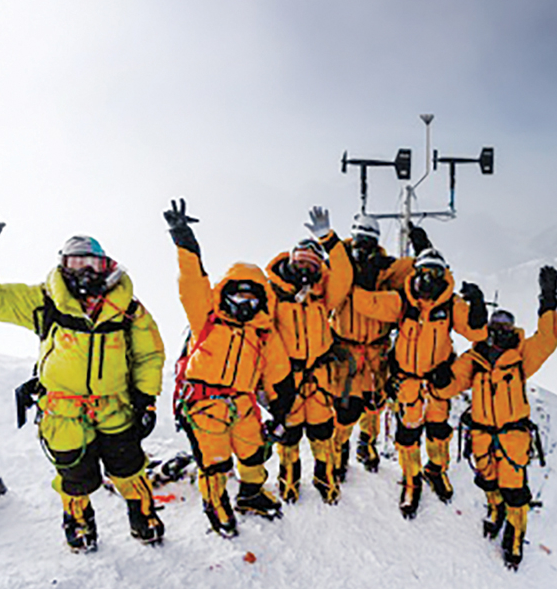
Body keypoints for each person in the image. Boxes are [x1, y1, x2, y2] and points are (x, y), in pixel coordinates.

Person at [0, 217, 166, 552]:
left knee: (129, 467)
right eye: (75, 261)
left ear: (106, 266)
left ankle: (144, 517)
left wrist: (146, 399)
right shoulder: (45, 301)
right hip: (61, 409)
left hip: (114, 405)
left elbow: (149, 355)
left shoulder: (129, 309)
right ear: (63, 265)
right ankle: (78, 522)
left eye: (92, 262)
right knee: (74, 474)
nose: (84, 269)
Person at [163, 199, 296, 536]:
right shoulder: (206, 318)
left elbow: (277, 372)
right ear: (225, 294)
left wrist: (281, 409)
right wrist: (184, 240)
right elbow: (192, 281)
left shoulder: (263, 334)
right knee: (215, 461)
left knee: (253, 454)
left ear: (262, 301)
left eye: (252, 299)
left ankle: (251, 494)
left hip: (242, 403)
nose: (244, 304)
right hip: (204, 402)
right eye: (238, 296)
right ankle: (216, 502)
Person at [436, 266, 557, 570]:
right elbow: (452, 384)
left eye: (506, 325)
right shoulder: (474, 358)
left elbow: (548, 339)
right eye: (496, 324)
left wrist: (548, 300)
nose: (500, 330)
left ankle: (515, 536)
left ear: (512, 329)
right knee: (487, 479)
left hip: (512, 436)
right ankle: (495, 511)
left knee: (515, 490)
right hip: (481, 433)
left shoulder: (521, 357)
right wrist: (440, 379)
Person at [352, 243, 487, 517]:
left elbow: (477, 333)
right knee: (408, 435)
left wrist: (478, 306)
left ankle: (436, 470)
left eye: (436, 273)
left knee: (439, 431)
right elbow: (365, 303)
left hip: (437, 382)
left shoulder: (450, 306)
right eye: (424, 272)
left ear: (444, 276)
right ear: (415, 273)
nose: (429, 279)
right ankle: (411, 480)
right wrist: (366, 275)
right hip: (408, 383)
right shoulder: (402, 302)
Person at [264, 207, 353, 505]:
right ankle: (288, 479)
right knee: (288, 435)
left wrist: (328, 239)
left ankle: (324, 476)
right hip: (286, 377)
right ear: (290, 262)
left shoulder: (322, 297)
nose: (305, 268)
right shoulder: (274, 294)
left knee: (322, 432)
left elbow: (343, 274)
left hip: (318, 377)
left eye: (313, 263)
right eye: (300, 261)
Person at [328, 214, 415, 478]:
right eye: (359, 240)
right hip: (346, 348)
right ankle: (339, 449)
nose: (362, 247)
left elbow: (414, 268)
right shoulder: (338, 266)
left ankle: (367, 444)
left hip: (377, 348)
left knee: (374, 402)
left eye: (368, 241)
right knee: (345, 407)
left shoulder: (386, 269)